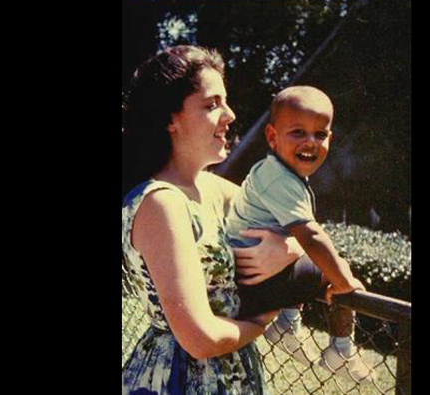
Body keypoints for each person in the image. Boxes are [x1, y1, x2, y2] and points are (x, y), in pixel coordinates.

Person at [121, 45, 302, 395]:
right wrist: (263, 320)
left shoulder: (213, 188)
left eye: (225, 101)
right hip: (178, 380)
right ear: (170, 119)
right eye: (211, 104)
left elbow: (302, 222)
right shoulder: (161, 203)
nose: (230, 114)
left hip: (233, 373)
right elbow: (200, 339)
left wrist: (288, 246)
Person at [226, 86, 372, 382]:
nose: (310, 142)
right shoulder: (281, 179)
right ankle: (341, 352)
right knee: (335, 267)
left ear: (330, 139)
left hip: (249, 273)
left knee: (307, 257)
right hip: (254, 277)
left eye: (320, 134)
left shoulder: (274, 171)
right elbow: (312, 237)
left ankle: (287, 322)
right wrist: (344, 282)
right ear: (271, 137)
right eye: (298, 132)